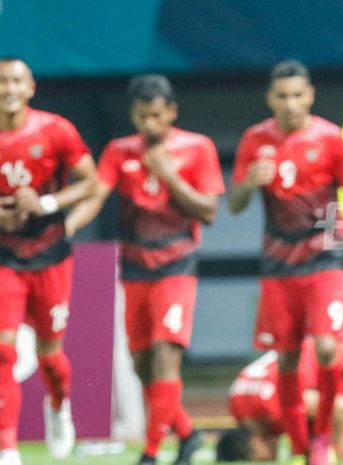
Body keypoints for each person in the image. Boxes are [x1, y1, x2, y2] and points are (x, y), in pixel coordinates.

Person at [65, 74, 225, 465]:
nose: (149, 125)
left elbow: (208, 211)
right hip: (135, 268)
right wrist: (67, 226)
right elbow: (97, 195)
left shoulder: (196, 148)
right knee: (142, 365)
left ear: (171, 111)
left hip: (177, 265)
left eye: (156, 116)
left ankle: (151, 453)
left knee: (165, 356)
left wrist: (169, 175)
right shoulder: (120, 151)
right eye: (141, 117)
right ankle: (187, 434)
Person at [228, 59, 343, 465]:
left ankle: (319, 441)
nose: (291, 103)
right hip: (279, 263)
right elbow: (234, 203)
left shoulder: (330, 139)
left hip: (326, 256)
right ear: (270, 99)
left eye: (298, 95)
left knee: (328, 348)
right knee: (288, 356)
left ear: (310, 95)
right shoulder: (254, 140)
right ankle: (299, 445)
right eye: (282, 96)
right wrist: (247, 183)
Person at [0, 57, 98, 465]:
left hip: (51, 256)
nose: (8, 88)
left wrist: (45, 203)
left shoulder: (55, 130)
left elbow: (90, 182)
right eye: (1, 81)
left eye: (16, 81)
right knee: (3, 351)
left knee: (50, 359)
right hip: (4, 258)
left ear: (31, 87)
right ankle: (7, 447)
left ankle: (59, 406)